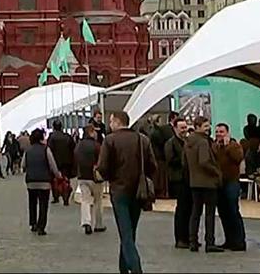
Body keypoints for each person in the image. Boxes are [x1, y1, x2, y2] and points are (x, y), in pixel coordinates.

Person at [97, 111, 156, 274]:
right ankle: (123, 267)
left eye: (111, 122)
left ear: (117, 122)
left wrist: (110, 177)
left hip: (119, 190)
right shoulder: (142, 139)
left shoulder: (110, 140)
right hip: (138, 190)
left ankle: (136, 267)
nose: (110, 125)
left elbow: (103, 167)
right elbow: (153, 165)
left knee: (125, 232)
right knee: (130, 230)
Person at [184, 116, 223, 253]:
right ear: (198, 126)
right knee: (209, 213)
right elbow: (204, 161)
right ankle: (210, 242)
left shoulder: (188, 141)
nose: (208, 129)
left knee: (195, 212)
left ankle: (193, 241)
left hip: (194, 181)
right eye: (206, 126)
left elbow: (185, 163)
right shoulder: (203, 142)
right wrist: (217, 172)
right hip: (207, 182)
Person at [213, 123, 247, 251]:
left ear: (227, 133)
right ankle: (229, 240)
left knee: (233, 211)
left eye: (221, 132)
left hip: (232, 182)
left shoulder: (234, 145)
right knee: (223, 212)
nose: (219, 134)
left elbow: (238, 158)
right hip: (219, 183)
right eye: (217, 132)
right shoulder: (215, 146)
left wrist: (227, 147)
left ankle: (239, 241)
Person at [24, 128, 62, 235]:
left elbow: (23, 165)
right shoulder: (46, 149)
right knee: (43, 204)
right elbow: (52, 164)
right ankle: (41, 226)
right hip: (44, 182)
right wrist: (57, 175)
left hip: (31, 182)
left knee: (32, 203)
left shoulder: (28, 150)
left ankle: (33, 223)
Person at [162, 116, 192, 248]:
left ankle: (189, 236)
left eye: (185, 127)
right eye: (181, 128)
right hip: (178, 180)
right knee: (182, 209)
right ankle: (180, 238)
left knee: (190, 209)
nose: (184, 130)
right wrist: (184, 159)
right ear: (175, 129)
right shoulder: (170, 143)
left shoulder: (188, 141)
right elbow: (170, 160)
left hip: (189, 179)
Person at [74, 124, 106, 235]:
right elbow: (102, 160)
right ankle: (98, 224)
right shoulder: (97, 146)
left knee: (85, 200)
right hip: (95, 177)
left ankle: (86, 222)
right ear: (91, 132)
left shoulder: (79, 145)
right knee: (98, 200)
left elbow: (75, 158)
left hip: (82, 176)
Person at [48, 119, 77, 205]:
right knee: (66, 180)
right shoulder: (67, 137)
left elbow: (49, 150)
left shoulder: (51, 137)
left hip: (55, 162)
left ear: (53, 127)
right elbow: (73, 148)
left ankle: (56, 197)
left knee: (54, 180)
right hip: (67, 162)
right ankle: (66, 198)